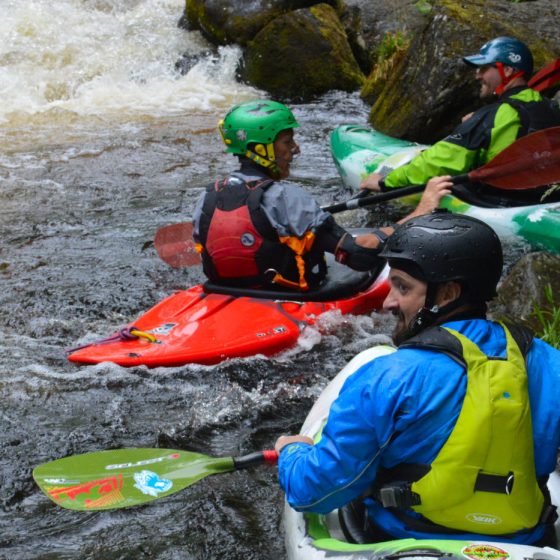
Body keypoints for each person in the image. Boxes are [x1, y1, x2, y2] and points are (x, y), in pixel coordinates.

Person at [275, 211, 560, 546]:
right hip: (524, 542)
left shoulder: (387, 377)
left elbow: (314, 492)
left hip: (404, 538)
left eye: (402, 287)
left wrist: (291, 452)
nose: (387, 301)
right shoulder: (550, 362)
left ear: (448, 294)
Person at [192, 99, 449, 291]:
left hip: (223, 292)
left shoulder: (207, 196)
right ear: (260, 149)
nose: (295, 149)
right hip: (291, 297)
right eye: (286, 141)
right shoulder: (286, 197)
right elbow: (360, 255)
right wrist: (420, 212)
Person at [360, 37, 560, 192]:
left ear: (507, 70)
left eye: (484, 68)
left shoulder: (493, 115)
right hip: (543, 196)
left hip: (498, 200)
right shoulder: (550, 107)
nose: (477, 75)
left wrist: (386, 181)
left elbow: (441, 161)